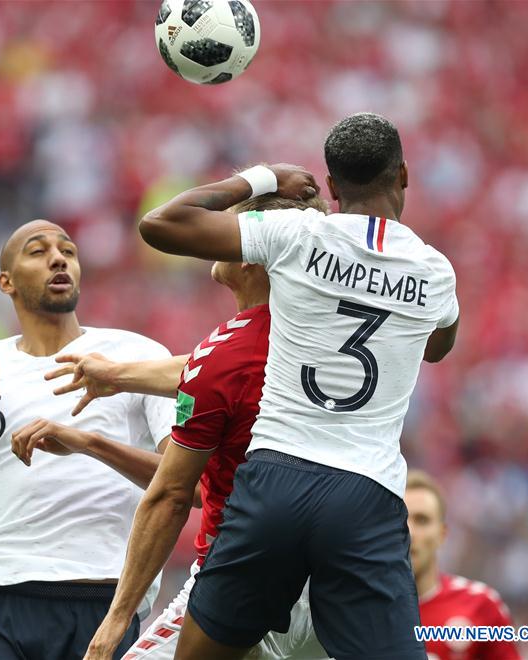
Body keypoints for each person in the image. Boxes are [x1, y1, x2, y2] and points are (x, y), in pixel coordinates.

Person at [137, 113, 460, 660]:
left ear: (330, 188)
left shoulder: (295, 235)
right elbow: (438, 345)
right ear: (404, 175)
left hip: (276, 480)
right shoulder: (435, 273)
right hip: (366, 493)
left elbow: (161, 224)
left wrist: (264, 179)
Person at [18, 193, 330, 660]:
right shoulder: (323, 332)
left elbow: (171, 495)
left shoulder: (227, 353)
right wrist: (118, 377)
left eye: (233, 231)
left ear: (254, 257)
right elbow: (221, 374)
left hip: (241, 579)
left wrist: (116, 619)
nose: (218, 237)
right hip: (331, 584)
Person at [0, 220, 176, 660]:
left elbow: (191, 486)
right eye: (38, 251)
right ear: (5, 282)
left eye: (68, 250)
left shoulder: (138, 356)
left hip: (103, 598)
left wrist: (88, 443)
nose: (58, 258)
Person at [406, 470, 521, 660]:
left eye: (422, 520)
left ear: (442, 535)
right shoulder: (357, 608)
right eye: (400, 520)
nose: (409, 533)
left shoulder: (481, 605)